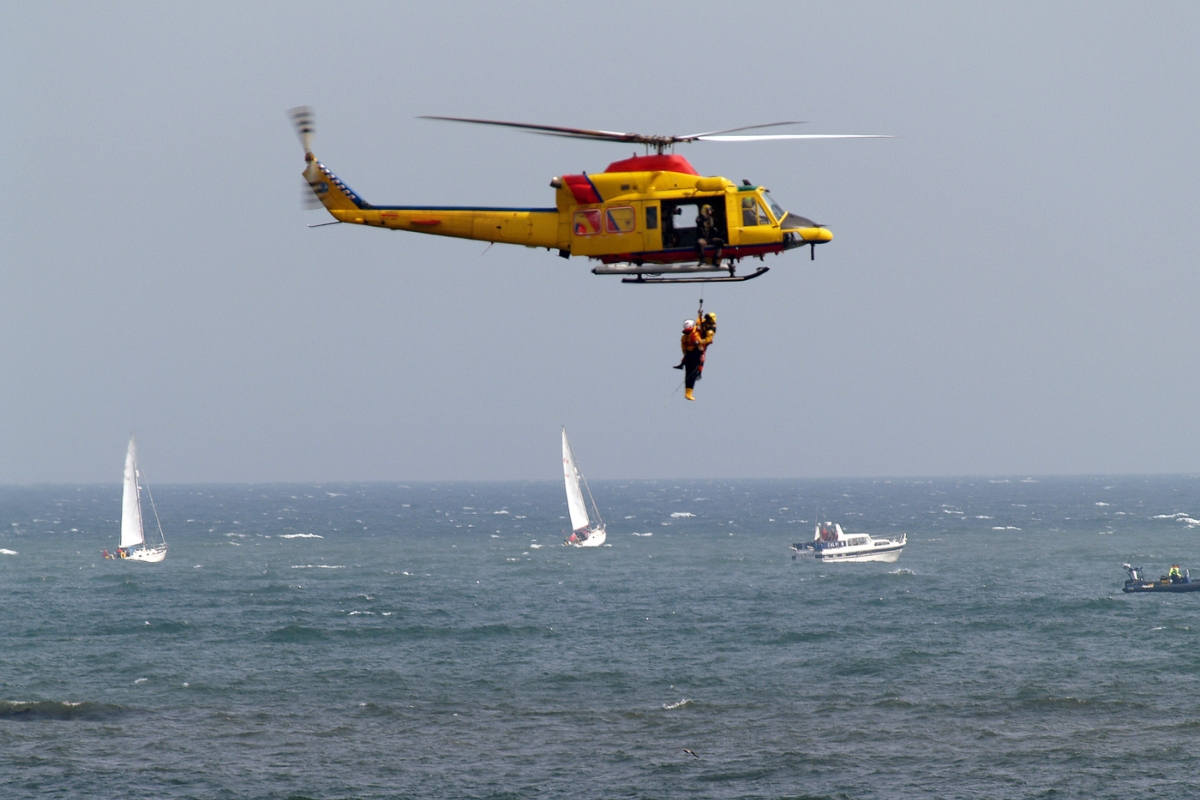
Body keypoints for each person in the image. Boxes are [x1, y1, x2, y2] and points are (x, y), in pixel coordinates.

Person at [678, 319, 702, 401]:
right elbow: (700, 340)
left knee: (688, 374)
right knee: (693, 374)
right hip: (695, 355)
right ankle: (689, 393)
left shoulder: (684, 337)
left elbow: (683, 348)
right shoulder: (695, 333)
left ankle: (687, 393)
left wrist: (685, 355)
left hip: (687, 356)